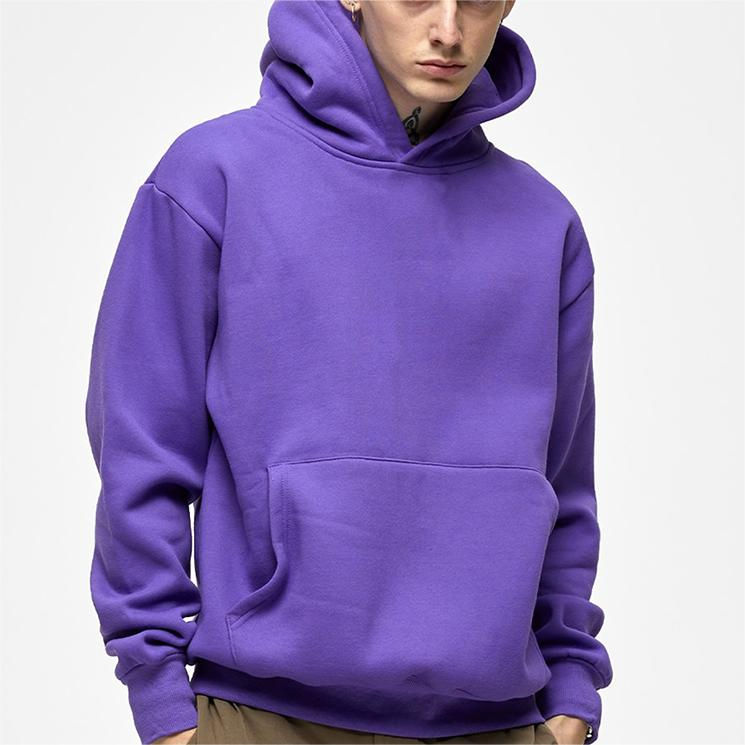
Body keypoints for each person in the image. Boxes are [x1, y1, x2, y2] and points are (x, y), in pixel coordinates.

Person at [84, 1, 614, 744]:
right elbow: (141, 448)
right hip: (262, 716)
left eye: (476, 0)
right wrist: (161, 696)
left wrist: (571, 691)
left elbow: (564, 483)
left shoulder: (541, 222)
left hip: (496, 723)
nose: (449, 30)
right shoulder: (216, 176)